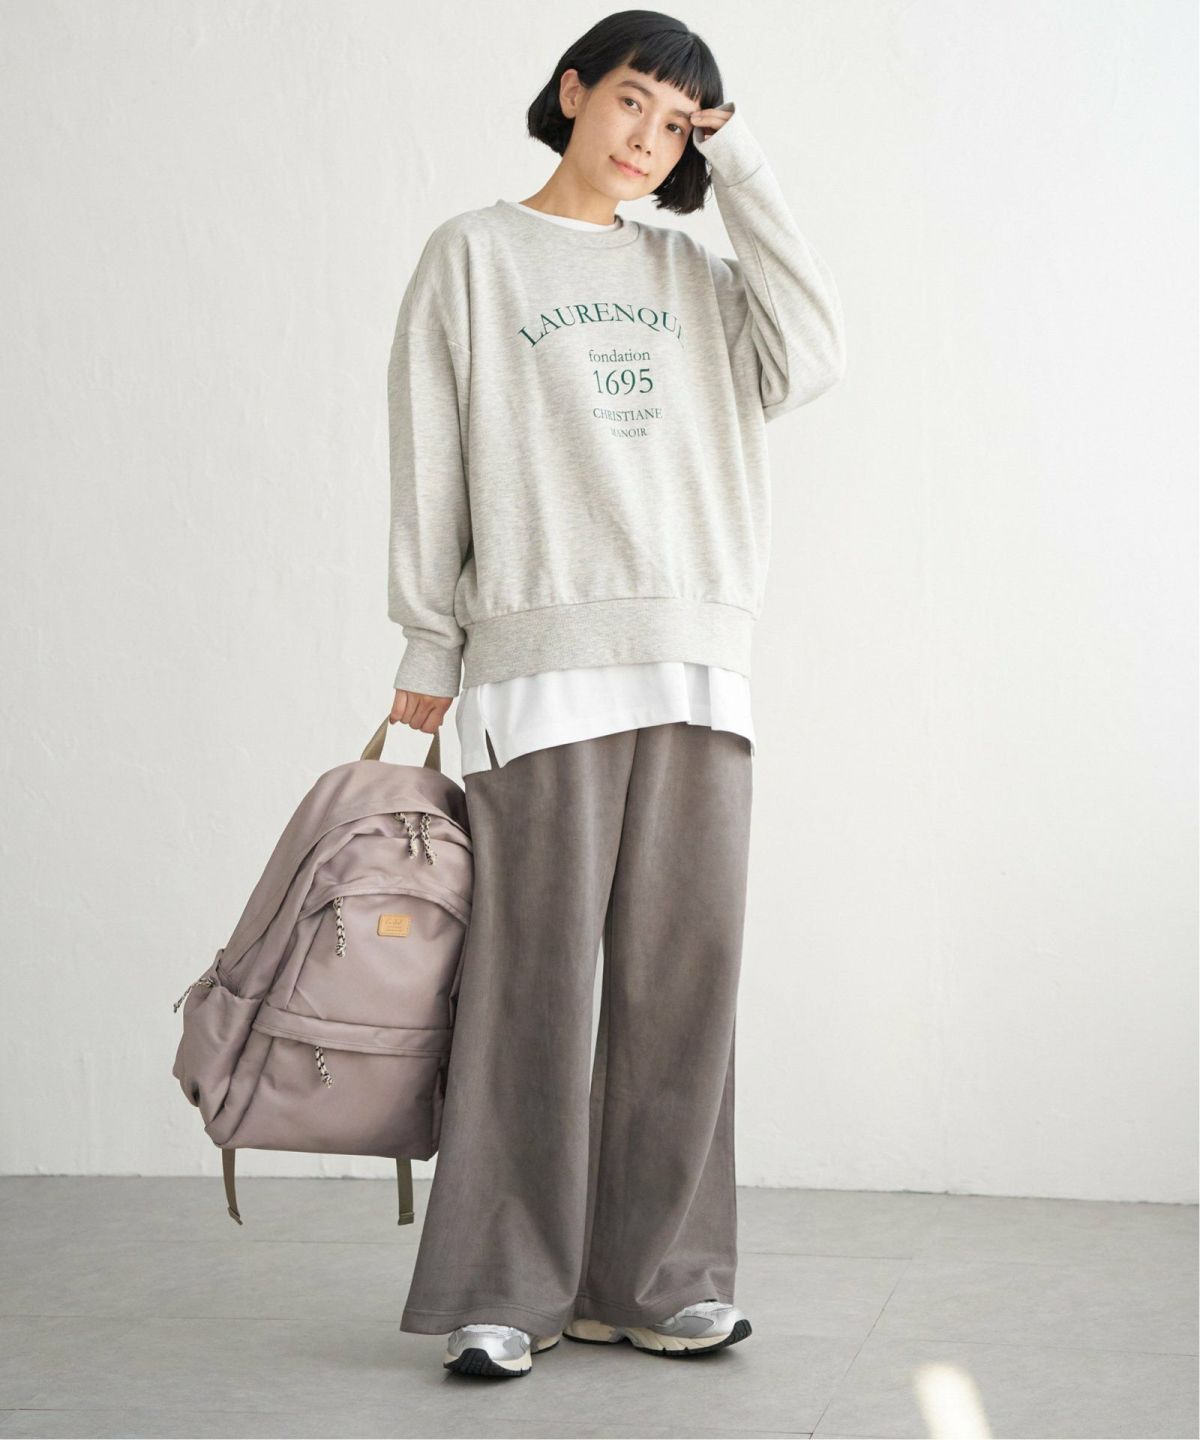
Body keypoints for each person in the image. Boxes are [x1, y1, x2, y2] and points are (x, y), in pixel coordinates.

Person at [385, 9, 845, 1378]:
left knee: (682, 985)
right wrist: (427, 653)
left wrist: (740, 165)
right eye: (634, 100)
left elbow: (817, 354)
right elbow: (429, 457)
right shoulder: (474, 254)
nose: (650, 138)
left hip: (696, 660)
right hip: (540, 665)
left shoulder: (699, 276)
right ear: (575, 90)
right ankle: (502, 1287)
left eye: (679, 122)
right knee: (530, 987)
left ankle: (656, 1280)